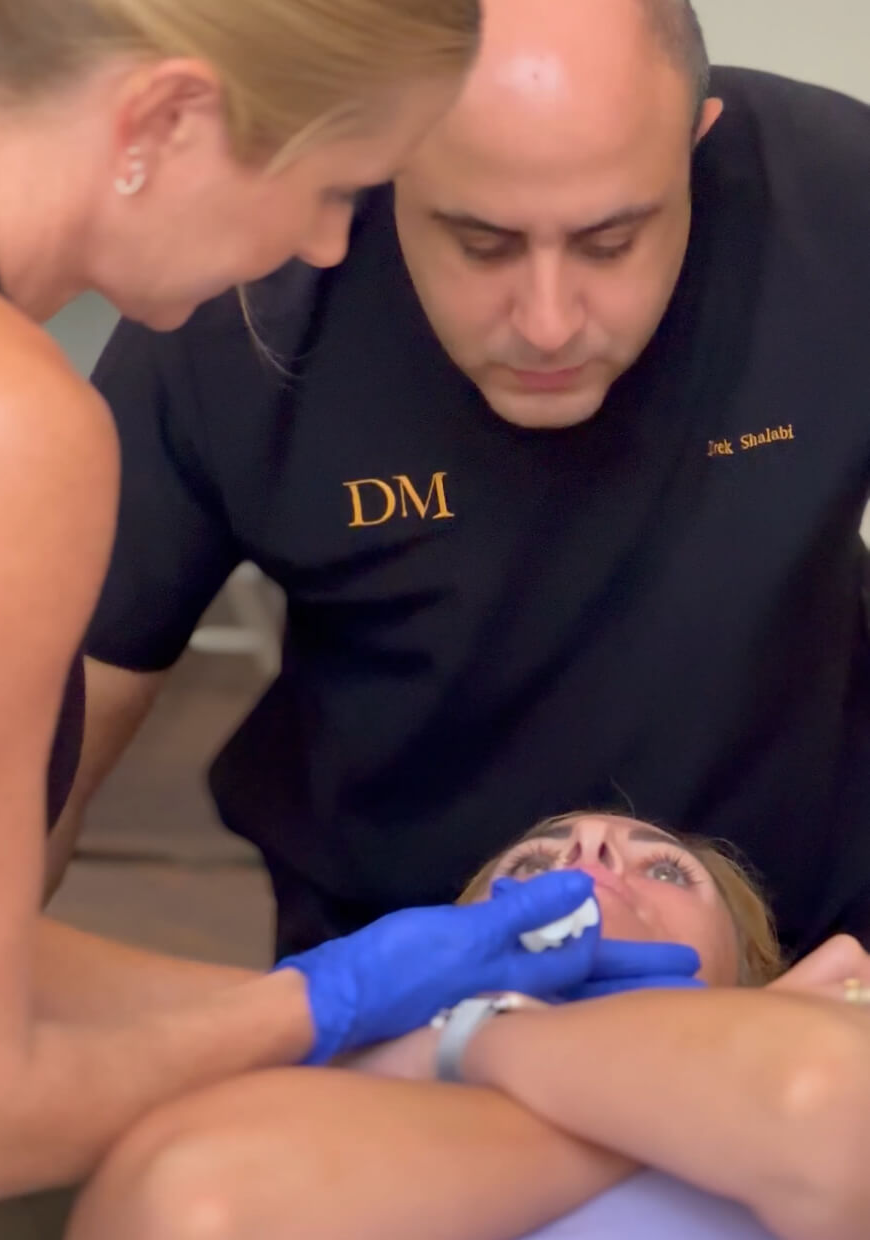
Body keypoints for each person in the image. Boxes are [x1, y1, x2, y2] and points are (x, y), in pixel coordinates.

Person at [0, 0, 700, 1214]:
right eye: (336, 185)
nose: (325, 248)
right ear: (164, 118)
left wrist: (337, 993)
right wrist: (327, 1015)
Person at [62, 0, 870, 965]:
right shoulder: (245, 300)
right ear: (386, 159)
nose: (547, 321)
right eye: (481, 243)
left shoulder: (839, 205)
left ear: (695, 144)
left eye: (610, 243)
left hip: (814, 951)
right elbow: (40, 750)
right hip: (390, 964)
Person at [65, 812, 870, 1240]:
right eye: (528, 866)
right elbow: (196, 1208)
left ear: (752, 973)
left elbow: (832, 1114)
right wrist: (468, 1038)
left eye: (665, 869)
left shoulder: (829, 1042)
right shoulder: (347, 1091)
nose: (589, 847)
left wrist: (476, 1036)